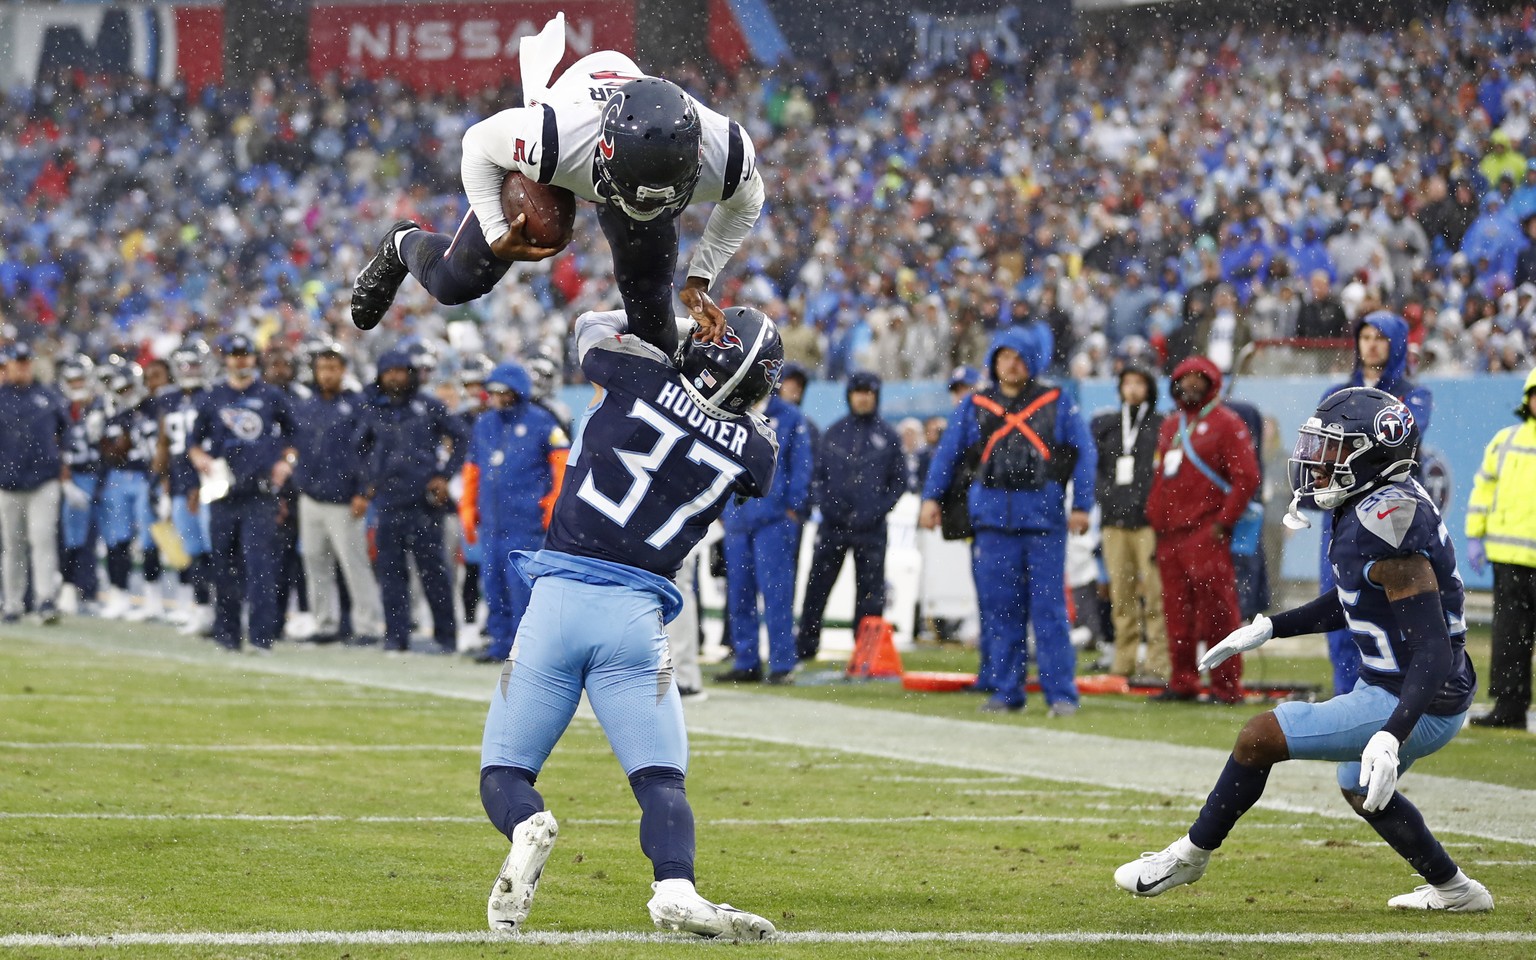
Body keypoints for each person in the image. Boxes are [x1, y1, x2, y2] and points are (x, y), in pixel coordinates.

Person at [1116, 387, 1491, 913]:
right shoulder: (1369, 504)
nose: (1315, 461)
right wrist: (1269, 628)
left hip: (1421, 691)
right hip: (1404, 683)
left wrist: (1392, 734)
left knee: (1258, 737)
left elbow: (1433, 651)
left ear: (1373, 453)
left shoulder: (1389, 524)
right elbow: (1354, 597)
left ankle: (1190, 855)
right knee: (1360, 790)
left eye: (1332, 448)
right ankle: (1456, 891)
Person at [479, 304, 782, 940]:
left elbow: (590, 323)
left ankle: (526, 827)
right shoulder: (756, 448)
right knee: (659, 780)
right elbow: (745, 435)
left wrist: (665, 314)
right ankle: (674, 887)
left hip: (558, 601)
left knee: (505, 773)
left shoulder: (637, 373)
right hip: (637, 618)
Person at [350, 13, 762, 365]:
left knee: (653, 327)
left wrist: (700, 278)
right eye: (637, 191)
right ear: (605, 152)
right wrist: (495, 231)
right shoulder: (551, 140)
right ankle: (402, 242)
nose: (642, 205)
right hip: (571, 152)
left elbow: (747, 202)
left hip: (604, 160)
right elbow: (476, 143)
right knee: (455, 283)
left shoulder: (727, 151)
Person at [919, 326, 1095, 716]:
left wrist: (1082, 504)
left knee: (1049, 612)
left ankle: (1061, 695)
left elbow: (1085, 454)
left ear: (1031, 362)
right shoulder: (975, 404)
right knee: (1000, 611)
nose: (1010, 365)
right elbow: (947, 454)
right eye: (1003, 357)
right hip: (993, 521)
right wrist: (931, 499)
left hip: (1042, 520)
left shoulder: (1058, 402)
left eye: (1017, 358)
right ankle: (1006, 691)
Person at [1318, 310, 1433, 697]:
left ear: (1396, 343)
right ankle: (1347, 696)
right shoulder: (1334, 392)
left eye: (1379, 337)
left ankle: (1392, 698)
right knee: (1341, 605)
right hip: (1342, 513)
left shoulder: (1414, 395)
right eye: (1364, 336)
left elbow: (1401, 439)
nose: (1370, 344)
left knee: (1393, 611)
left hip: (1391, 514)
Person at [1145, 356, 1260, 704]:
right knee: (1176, 613)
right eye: (1184, 378)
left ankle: (1226, 687)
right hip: (1171, 536)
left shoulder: (1227, 423)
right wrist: (1155, 517)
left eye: (1199, 378)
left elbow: (1247, 477)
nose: (1190, 384)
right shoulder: (1170, 426)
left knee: (1218, 612)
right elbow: (1160, 476)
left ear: (1212, 384)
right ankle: (1183, 681)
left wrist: (1223, 522)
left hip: (1206, 532)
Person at [187, 334, 298, 652]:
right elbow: (193, 444)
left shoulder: (270, 395)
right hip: (223, 493)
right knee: (223, 566)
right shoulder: (212, 397)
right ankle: (228, 634)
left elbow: (294, 436)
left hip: (260, 492)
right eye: (234, 355)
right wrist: (202, 460)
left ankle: (262, 636)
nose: (240, 361)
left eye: (245, 355)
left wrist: (285, 464)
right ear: (226, 359)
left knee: (260, 565)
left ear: (253, 358)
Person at [355, 348, 468, 654]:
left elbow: (461, 437)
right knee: (391, 575)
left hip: (423, 503)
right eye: (388, 371)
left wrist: (444, 475)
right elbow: (357, 447)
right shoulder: (372, 409)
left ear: (411, 374)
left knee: (434, 574)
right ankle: (396, 637)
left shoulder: (428, 405)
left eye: (400, 370)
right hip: (389, 503)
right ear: (380, 375)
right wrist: (369, 484)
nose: (394, 377)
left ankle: (447, 638)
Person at [460, 361, 569, 664]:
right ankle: (500, 643)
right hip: (493, 523)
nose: (495, 396)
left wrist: (553, 505)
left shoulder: (542, 421)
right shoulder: (484, 424)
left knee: (524, 590)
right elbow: (473, 469)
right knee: (493, 587)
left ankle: (526, 649)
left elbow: (562, 465)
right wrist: (468, 507)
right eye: (492, 391)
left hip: (526, 523)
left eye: (502, 391)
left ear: (517, 391)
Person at [795, 371, 906, 661]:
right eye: (858, 391)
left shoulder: (889, 436)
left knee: (871, 593)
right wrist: (828, 506)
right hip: (833, 525)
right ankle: (805, 646)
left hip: (871, 529)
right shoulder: (833, 432)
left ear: (877, 395)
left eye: (869, 392)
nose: (863, 397)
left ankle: (866, 652)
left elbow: (899, 483)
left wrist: (876, 510)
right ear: (850, 395)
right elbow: (816, 477)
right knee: (817, 588)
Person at [715, 358, 813, 682]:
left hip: (773, 519)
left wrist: (792, 508)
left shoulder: (790, 417)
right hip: (738, 518)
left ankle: (782, 662)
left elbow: (801, 466)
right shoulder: (730, 410)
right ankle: (747, 661)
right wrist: (720, 508)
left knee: (777, 592)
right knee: (739, 593)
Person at [291, 343, 384, 644]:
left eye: (333, 368)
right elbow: (297, 448)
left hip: (346, 500)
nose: (327, 374)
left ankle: (367, 626)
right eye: (322, 369)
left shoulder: (358, 405)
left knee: (354, 565)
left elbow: (371, 452)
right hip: (311, 498)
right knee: (315, 562)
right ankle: (324, 624)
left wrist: (364, 491)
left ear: (343, 371)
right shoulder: (306, 406)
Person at [1464, 369, 1536, 729]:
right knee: (1509, 635)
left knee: (1513, 633)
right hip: (1509, 559)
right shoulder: (1504, 441)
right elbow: (1483, 490)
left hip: (1516, 558)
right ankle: (1509, 707)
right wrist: (1474, 535)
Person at [1091, 361, 1169, 683]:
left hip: (1149, 524)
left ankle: (1159, 664)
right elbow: (1095, 470)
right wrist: (1105, 498)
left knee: (1155, 595)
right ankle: (1122, 661)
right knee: (1120, 595)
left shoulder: (1162, 425)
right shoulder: (1106, 425)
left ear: (1149, 388)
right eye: (1128, 383)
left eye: (1139, 383)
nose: (1133, 389)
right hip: (1114, 523)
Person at [0, 342, 67, 623]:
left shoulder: (48, 397)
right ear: (7, 366)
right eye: (18, 362)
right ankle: (13, 603)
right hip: (7, 483)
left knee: (42, 539)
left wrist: (63, 465)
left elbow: (66, 434)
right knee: (12, 544)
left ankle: (45, 600)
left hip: (43, 481)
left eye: (26, 362)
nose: (23, 367)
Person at [153, 341, 216, 635]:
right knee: (192, 552)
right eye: (185, 365)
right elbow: (164, 442)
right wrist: (163, 481)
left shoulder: (214, 396)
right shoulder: (167, 399)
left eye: (195, 364)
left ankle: (225, 610)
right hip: (179, 483)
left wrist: (199, 485)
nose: (190, 370)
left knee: (218, 550)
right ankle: (202, 609)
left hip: (211, 484)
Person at [56, 355, 105, 611]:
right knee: (72, 537)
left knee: (99, 536)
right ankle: (69, 586)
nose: (77, 385)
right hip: (74, 476)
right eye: (72, 380)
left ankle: (90, 588)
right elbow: (54, 445)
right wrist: (64, 479)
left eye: (80, 379)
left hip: (102, 476)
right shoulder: (59, 408)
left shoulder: (102, 406)